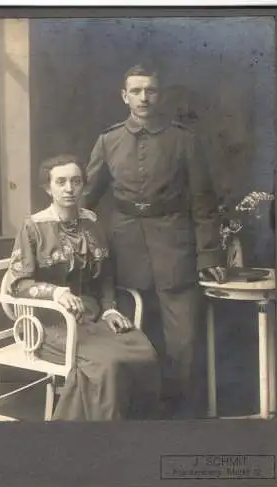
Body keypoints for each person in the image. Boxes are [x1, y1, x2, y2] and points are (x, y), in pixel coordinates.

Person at [83, 64, 226, 418]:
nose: (143, 98)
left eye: (151, 90)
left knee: (183, 338)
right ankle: (138, 413)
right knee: (132, 331)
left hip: (175, 244)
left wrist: (209, 256)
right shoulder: (109, 140)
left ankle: (185, 417)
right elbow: (87, 195)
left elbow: (203, 202)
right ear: (124, 96)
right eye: (136, 91)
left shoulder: (184, 139)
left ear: (159, 95)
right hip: (124, 245)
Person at [6, 154, 161, 421]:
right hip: (47, 323)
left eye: (76, 182)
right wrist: (55, 292)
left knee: (144, 351)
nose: (69, 188)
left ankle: (137, 429)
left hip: (92, 318)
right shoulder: (33, 227)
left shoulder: (92, 222)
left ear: (82, 186)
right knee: (107, 365)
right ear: (48, 187)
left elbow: (106, 276)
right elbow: (19, 284)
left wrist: (110, 310)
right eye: (61, 181)